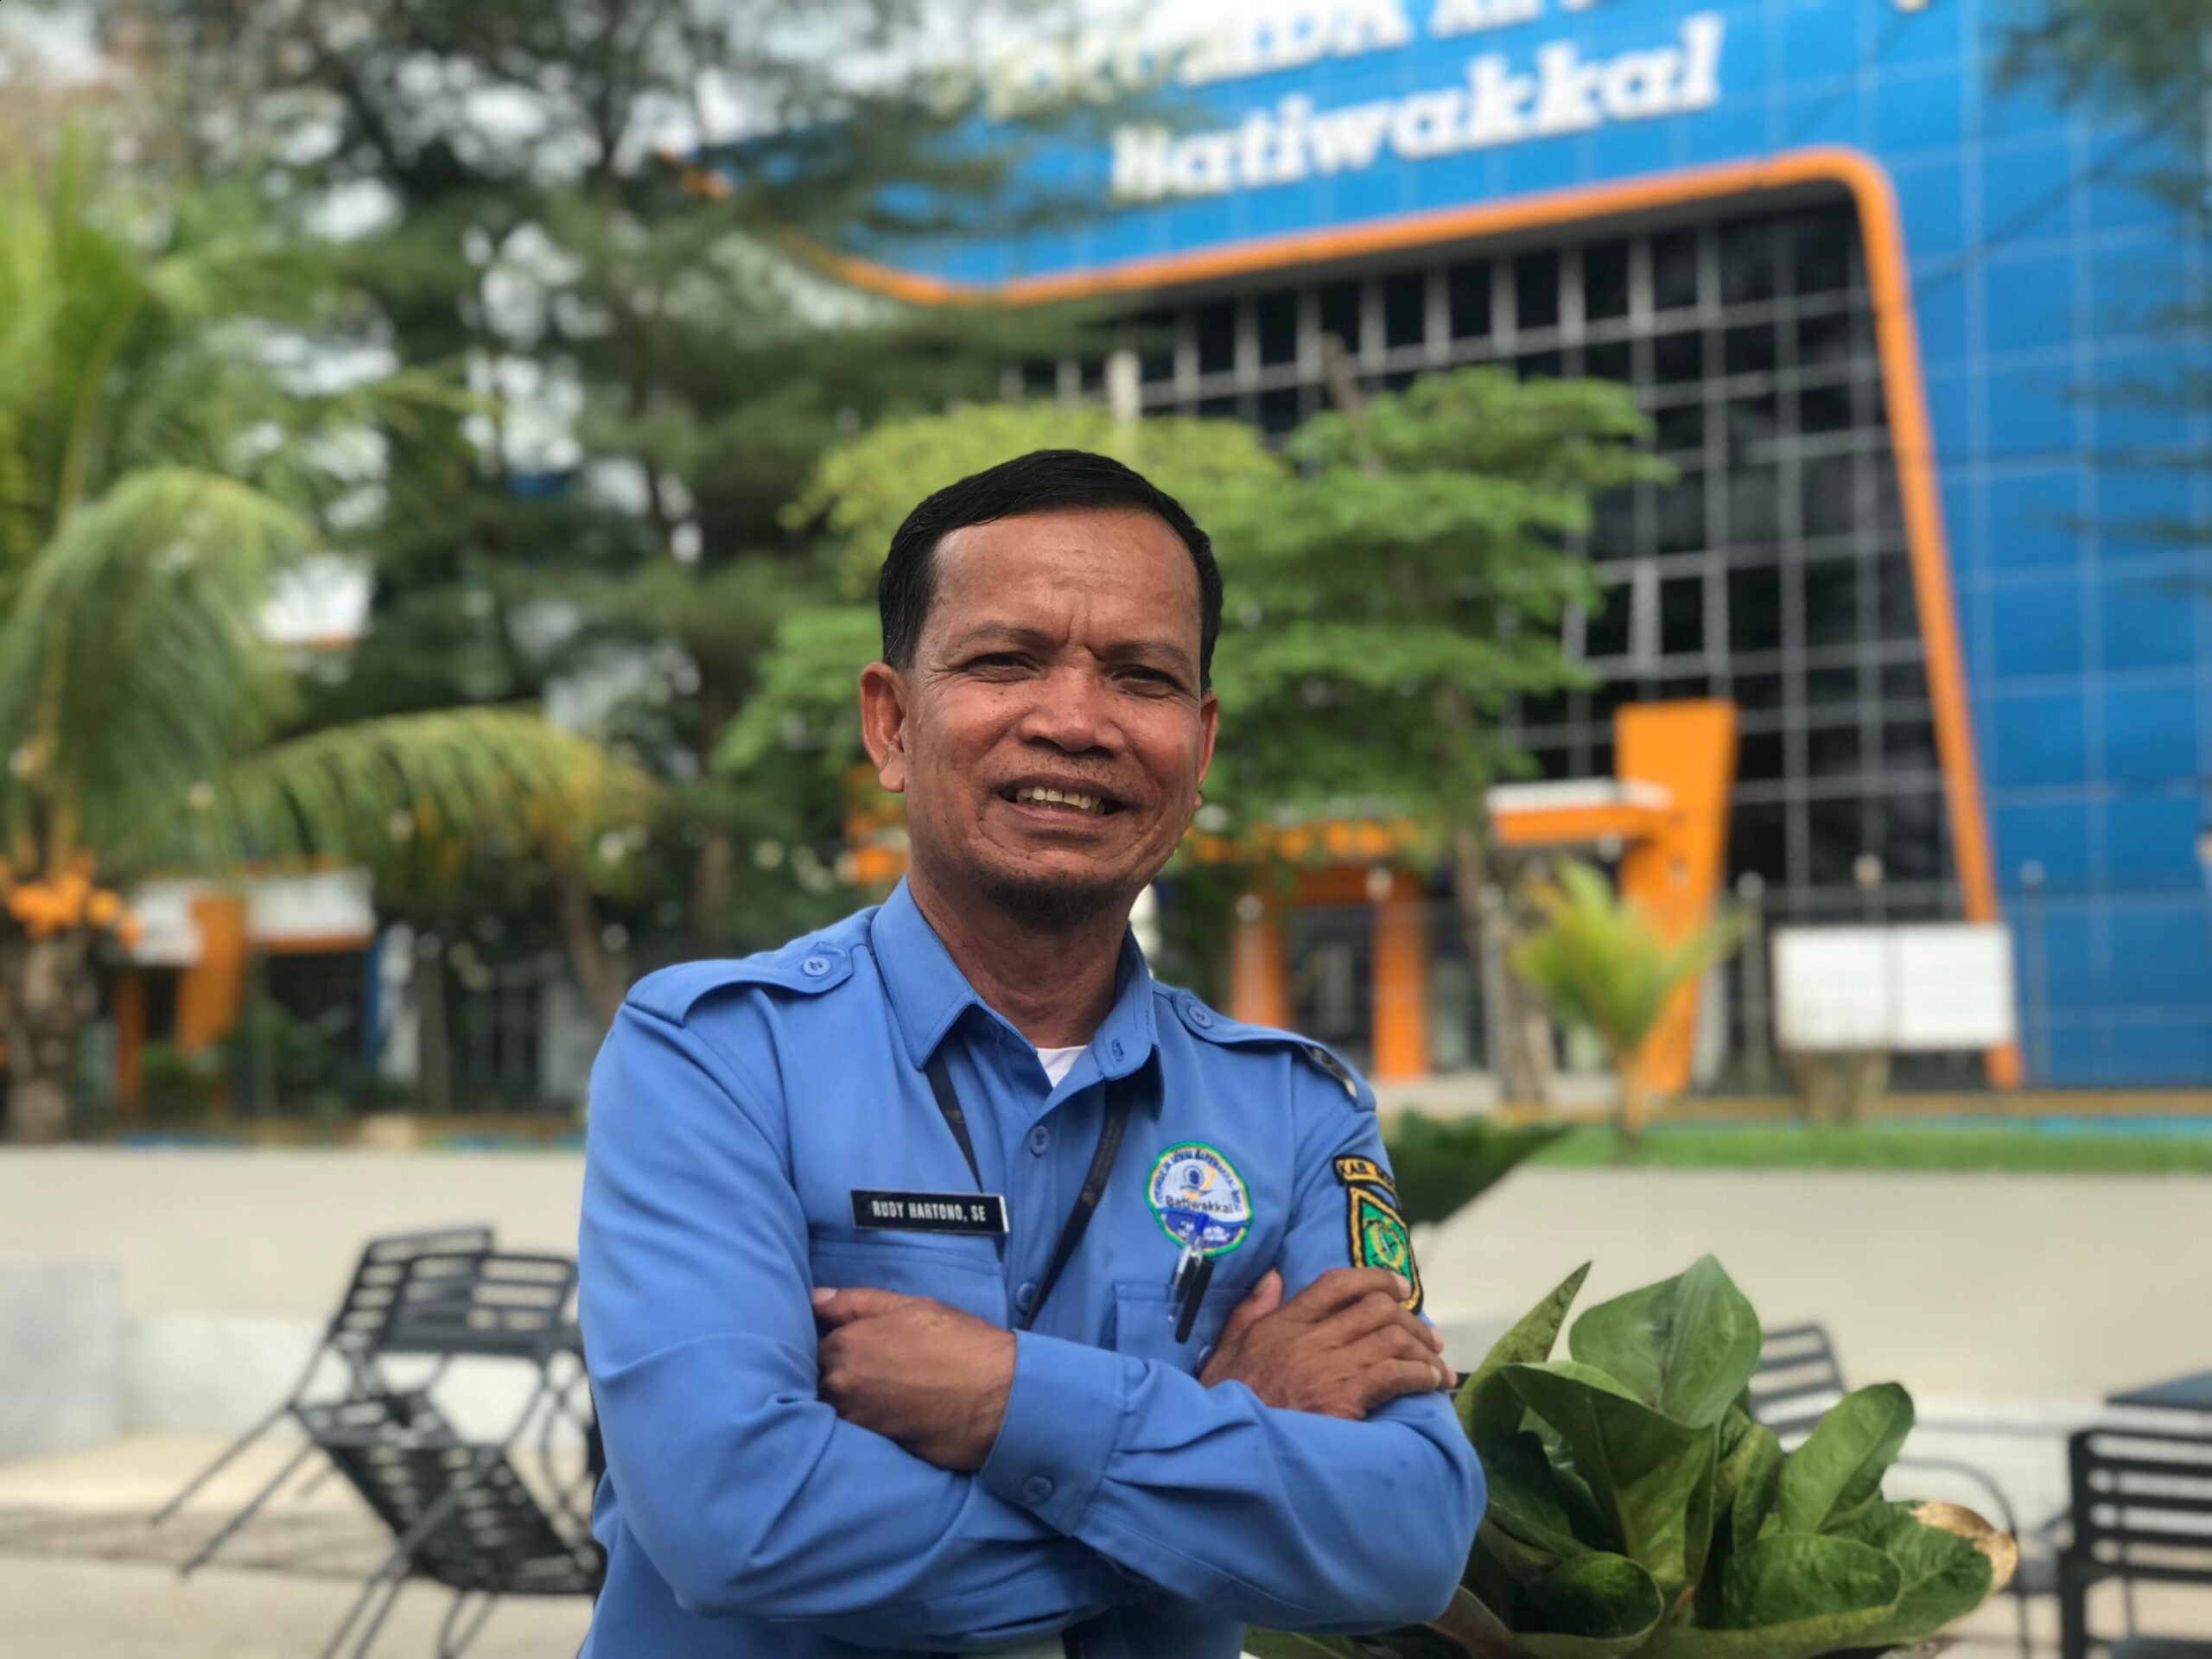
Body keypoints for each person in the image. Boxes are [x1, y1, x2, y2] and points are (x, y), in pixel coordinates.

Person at [577, 450, 1484, 1659]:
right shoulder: (717, 1057)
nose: (1074, 721)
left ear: (1200, 746)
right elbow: (734, 1521)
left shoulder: (1296, 1111)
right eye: (1005, 661)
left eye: (1142, 677)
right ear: (892, 722)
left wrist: (1001, 1397)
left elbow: (1410, 1535)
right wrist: (1220, 1430)